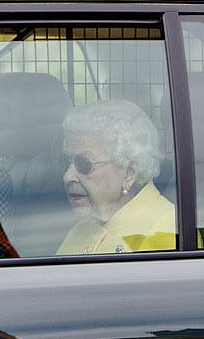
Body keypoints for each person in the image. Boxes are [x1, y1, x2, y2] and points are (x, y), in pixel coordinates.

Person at [56, 99, 175, 255]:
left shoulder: (166, 230)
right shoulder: (83, 229)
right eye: (66, 162)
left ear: (129, 174)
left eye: (84, 164)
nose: (67, 176)